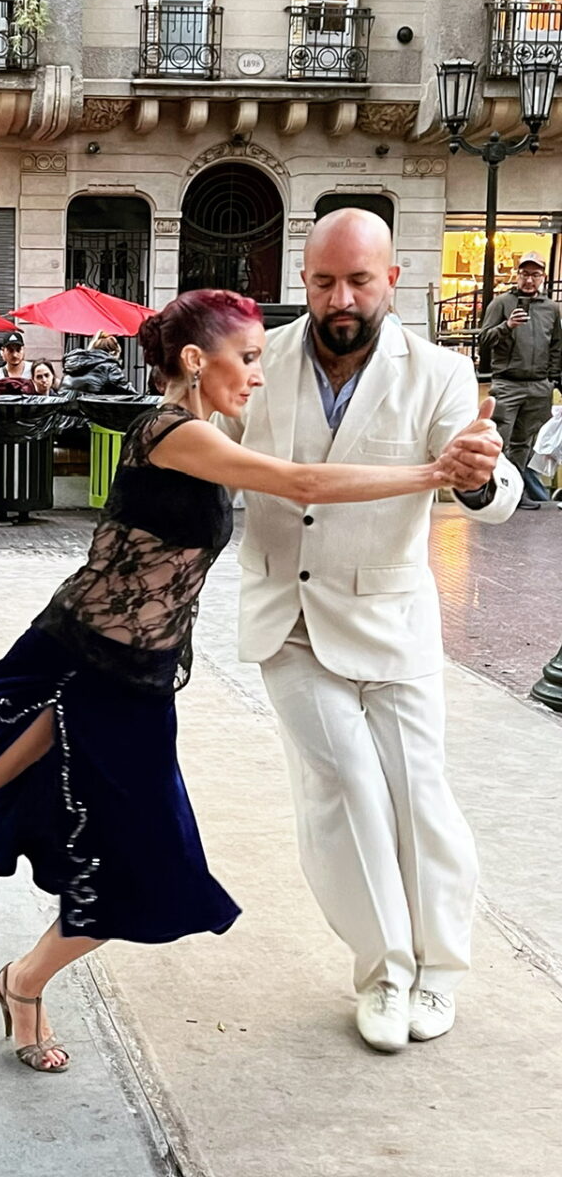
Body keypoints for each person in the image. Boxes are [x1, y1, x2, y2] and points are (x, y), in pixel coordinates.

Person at [0, 287, 493, 1075]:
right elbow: (304, 483)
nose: (258, 375)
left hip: (139, 680)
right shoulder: (169, 430)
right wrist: (431, 472)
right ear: (194, 361)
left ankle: (22, 981)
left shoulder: (212, 426)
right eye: (247, 358)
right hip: (66, 655)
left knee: (147, 874)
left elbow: (300, 464)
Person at [214, 208, 521, 1054]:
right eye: (322, 282)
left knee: (420, 798)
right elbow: (208, 441)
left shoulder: (439, 372)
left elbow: (497, 494)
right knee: (344, 790)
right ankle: (384, 971)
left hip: (392, 619)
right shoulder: (262, 362)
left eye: (357, 280)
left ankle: (440, 972)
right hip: (289, 618)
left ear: (393, 279)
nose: (339, 298)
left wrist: (476, 478)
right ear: (301, 282)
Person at [478, 251, 562, 509]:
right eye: (524, 273)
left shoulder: (551, 309)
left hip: (538, 386)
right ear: (517, 275)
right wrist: (507, 326)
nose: (529, 280)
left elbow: (557, 345)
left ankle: (515, 494)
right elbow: (484, 340)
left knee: (523, 444)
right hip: (507, 384)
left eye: (535, 274)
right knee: (497, 440)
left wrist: (551, 379)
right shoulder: (501, 304)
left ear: (543, 277)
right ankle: (491, 492)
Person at [61, 332, 137, 395]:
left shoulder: (74, 362)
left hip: (65, 408)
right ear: (113, 352)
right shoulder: (110, 365)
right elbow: (125, 388)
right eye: (119, 355)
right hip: (90, 409)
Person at [0, 331, 30, 395]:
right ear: (3, 351)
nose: (14, 355)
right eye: (10, 350)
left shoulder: (34, 370)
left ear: (24, 349)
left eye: (18, 350)